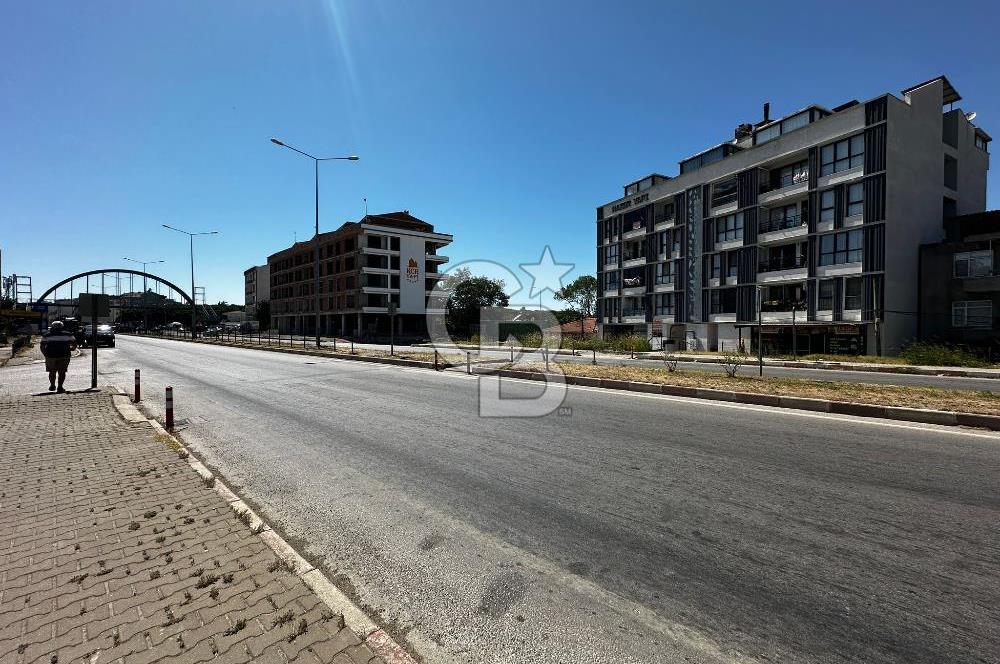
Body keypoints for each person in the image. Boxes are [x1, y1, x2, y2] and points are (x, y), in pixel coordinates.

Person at [40, 320, 77, 393]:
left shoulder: (46, 335)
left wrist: (45, 354)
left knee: (52, 371)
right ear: (62, 327)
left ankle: (52, 385)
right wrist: (72, 348)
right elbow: (74, 343)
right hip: (64, 355)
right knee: (62, 372)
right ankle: (60, 387)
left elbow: (42, 346)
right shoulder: (68, 334)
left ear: (52, 327)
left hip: (50, 356)